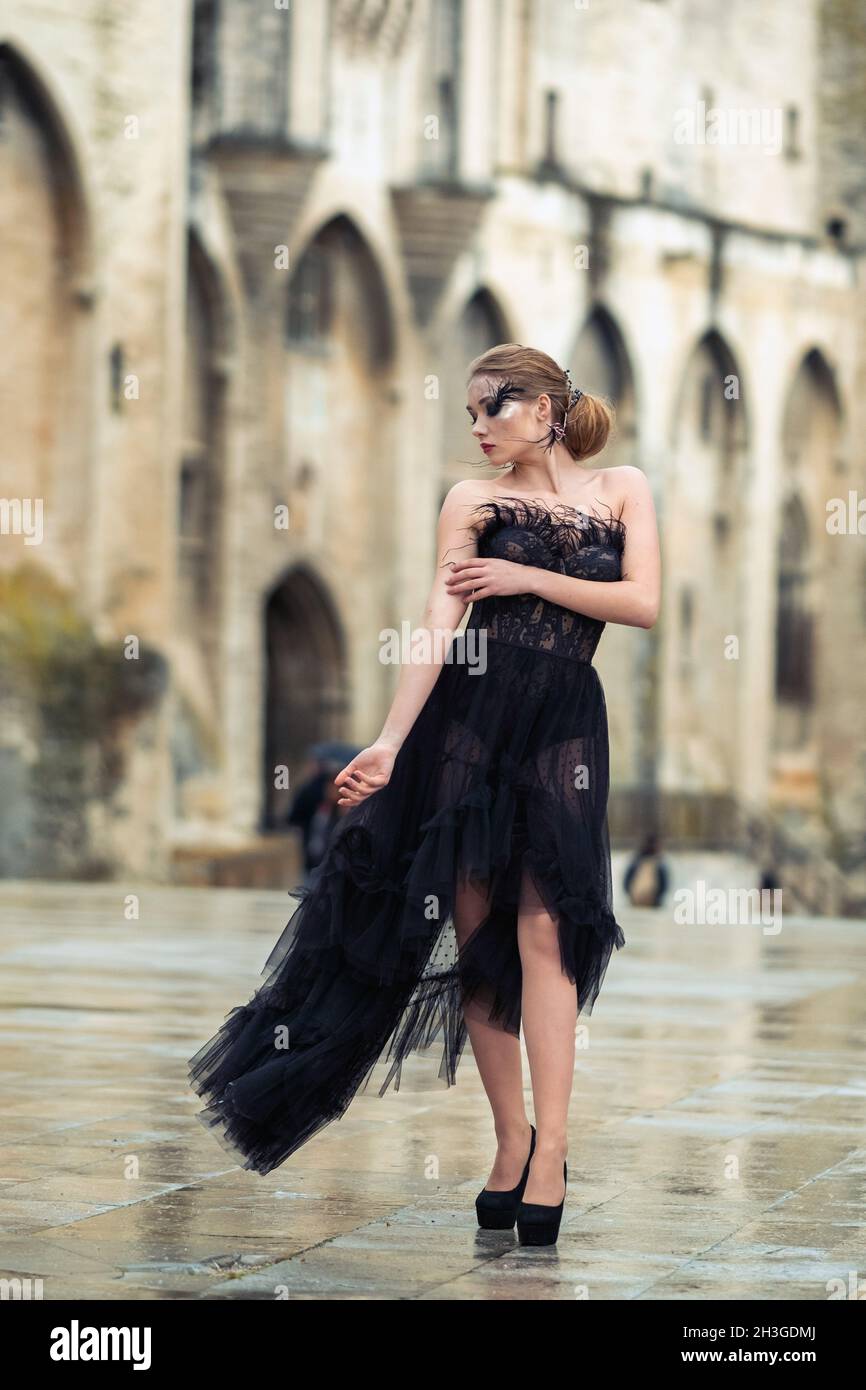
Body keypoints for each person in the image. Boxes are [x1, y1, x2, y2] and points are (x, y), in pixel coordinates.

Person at [188, 343, 661, 1246]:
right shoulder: (469, 501)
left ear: (547, 411)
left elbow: (641, 602)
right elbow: (440, 625)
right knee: (481, 934)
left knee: (550, 927)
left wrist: (524, 576)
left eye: (494, 408)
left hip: (566, 721)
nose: (478, 428)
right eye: (471, 414)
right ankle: (511, 1138)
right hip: (469, 724)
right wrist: (391, 742)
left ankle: (554, 1149)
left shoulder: (623, 488)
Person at [623, 832, 669, 908]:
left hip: (637, 901)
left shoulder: (636, 861)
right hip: (650, 901)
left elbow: (626, 882)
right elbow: (664, 884)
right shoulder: (658, 863)